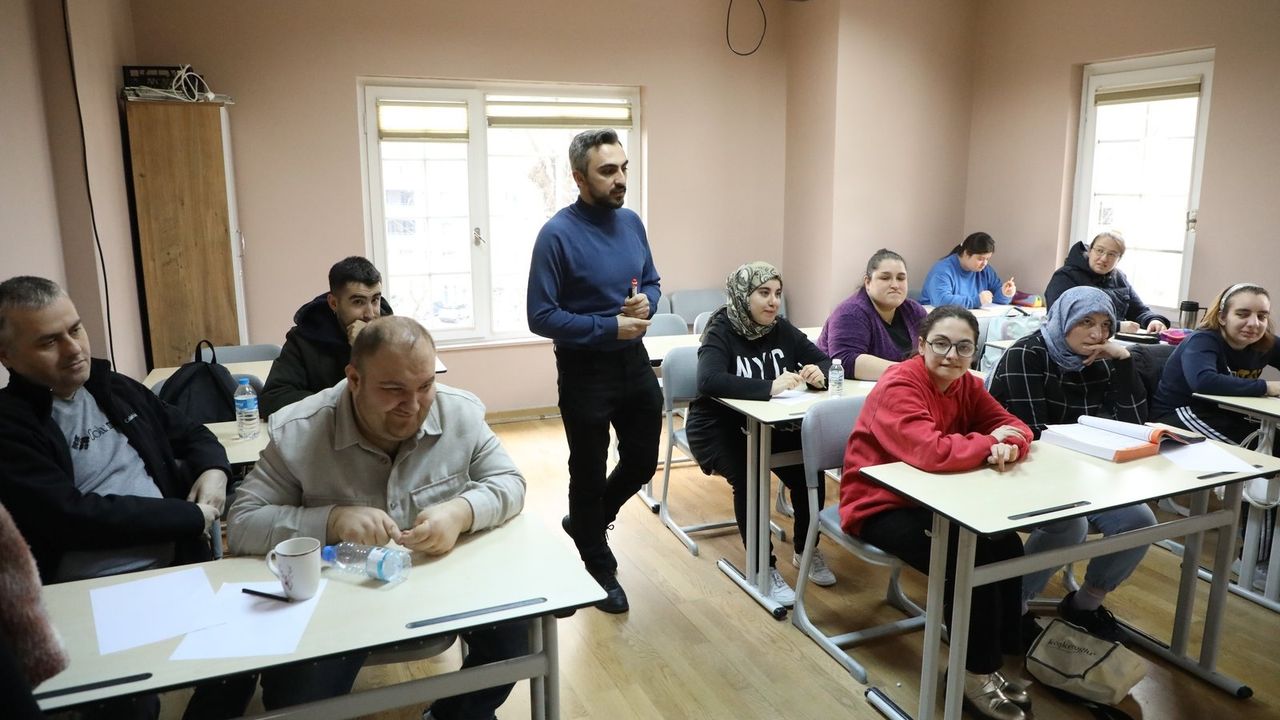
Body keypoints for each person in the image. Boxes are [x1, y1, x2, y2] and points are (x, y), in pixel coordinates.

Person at [227, 316, 526, 720]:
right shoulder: (299, 431)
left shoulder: (459, 413)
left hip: (442, 585)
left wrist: (461, 511)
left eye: (425, 386)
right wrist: (331, 521)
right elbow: (242, 522)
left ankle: (454, 714)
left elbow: (510, 482)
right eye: (393, 390)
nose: (414, 406)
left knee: (517, 641)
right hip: (341, 603)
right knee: (297, 698)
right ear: (354, 379)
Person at [0, 276, 241, 720]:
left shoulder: (113, 387)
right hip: (90, 593)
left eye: (75, 329)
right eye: (49, 341)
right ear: (7, 356)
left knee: (241, 661)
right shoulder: (10, 426)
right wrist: (188, 516)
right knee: (130, 702)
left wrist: (215, 471)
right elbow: (70, 517)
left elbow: (192, 433)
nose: (73, 349)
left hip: (177, 568)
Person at [840, 306, 1033, 720]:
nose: (951, 355)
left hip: (936, 500)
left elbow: (1014, 425)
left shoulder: (967, 384)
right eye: (941, 344)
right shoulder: (900, 383)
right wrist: (989, 444)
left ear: (974, 351)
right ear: (922, 344)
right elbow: (930, 452)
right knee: (967, 560)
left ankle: (995, 658)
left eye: (963, 347)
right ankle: (971, 673)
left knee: (1006, 545)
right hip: (879, 504)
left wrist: (1010, 443)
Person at [526, 128, 663, 614]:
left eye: (624, 168)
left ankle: (585, 523)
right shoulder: (556, 235)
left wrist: (648, 302)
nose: (620, 178)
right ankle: (596, 563)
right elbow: (540, 315)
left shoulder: (632, 223)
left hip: (633, 361)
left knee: (642, 462)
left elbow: (652, 281)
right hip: (584, 368)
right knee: (587, 468)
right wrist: (608, 327)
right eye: (608, 171)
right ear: (579, 178)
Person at [987, 286, 1156, 642]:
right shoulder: (1027, 354)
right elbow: (1032, 433)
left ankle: (1085, 605)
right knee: (1071, 524)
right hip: (1018, 469)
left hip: (1080, 473)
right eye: (1086, 322)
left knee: (1140, 521)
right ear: (1064, 320)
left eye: (1106, 325)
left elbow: (1133, 424)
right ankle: (1011, 608)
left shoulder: (1104, 359)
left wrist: (1124, 361)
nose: (1097, 334)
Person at [685, 262, 833, 604]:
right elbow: (708, 380)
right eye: (764, 293)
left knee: (809, 468)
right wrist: (769, 387)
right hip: (717, 426)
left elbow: (825, 360)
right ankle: (762, 566)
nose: (773, 301)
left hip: (769, 425)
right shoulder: (720, 329)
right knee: (749, 478)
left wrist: (818, 373)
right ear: (743, 295)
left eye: (777, 293)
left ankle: (806, 550)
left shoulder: (781, 329)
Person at [260, 256, 393, 418]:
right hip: (326, 429)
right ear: (334, 303)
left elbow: (400, 391)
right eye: (358, 302)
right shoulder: (304, 338)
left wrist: (366, 349)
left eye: (375, 300)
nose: (370, 314)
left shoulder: (392, 334)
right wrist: (339, 403)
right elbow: (273, 399)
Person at [1151, 282, 1280, 444]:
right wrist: (1268, 387)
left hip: (1227, 415)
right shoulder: (1203, 339)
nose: (1254, 323)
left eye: (1262, 316)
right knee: (1263, 446)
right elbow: (1204, 381)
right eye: (1242, 314)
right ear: (1222, 317)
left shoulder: (1266, 342)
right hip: (1182, 414)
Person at [817, 248, 927, 380]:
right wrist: (909, 372)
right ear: (867, 282)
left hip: (904, 384)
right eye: (885, 278)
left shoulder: (915, 311)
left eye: (901, 278)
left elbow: (929, 351)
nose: (895, 285)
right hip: (847, 389)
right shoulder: (850, 313)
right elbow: (845, 361)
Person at [1043, 231, 1170, 334]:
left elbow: (1139, 311)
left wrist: (1153, 320)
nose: (1104, 258)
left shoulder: (1119, 278)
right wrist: (1117, 326)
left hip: (1115, 342)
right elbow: (1061, 317)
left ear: (1119, 259)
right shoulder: (1065, 276)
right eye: (1100, 250)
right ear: (1090, 250)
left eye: (1112, 254)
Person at [920, 232, 1016, 309]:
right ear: (966, 253)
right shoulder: (943, 270)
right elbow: (941, 300)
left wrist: (1005, 293)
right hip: (936, 320)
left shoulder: (986, 271)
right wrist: (977, 301)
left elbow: (995, 298)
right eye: (980, 259)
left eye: (987, 259)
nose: (984, 263)